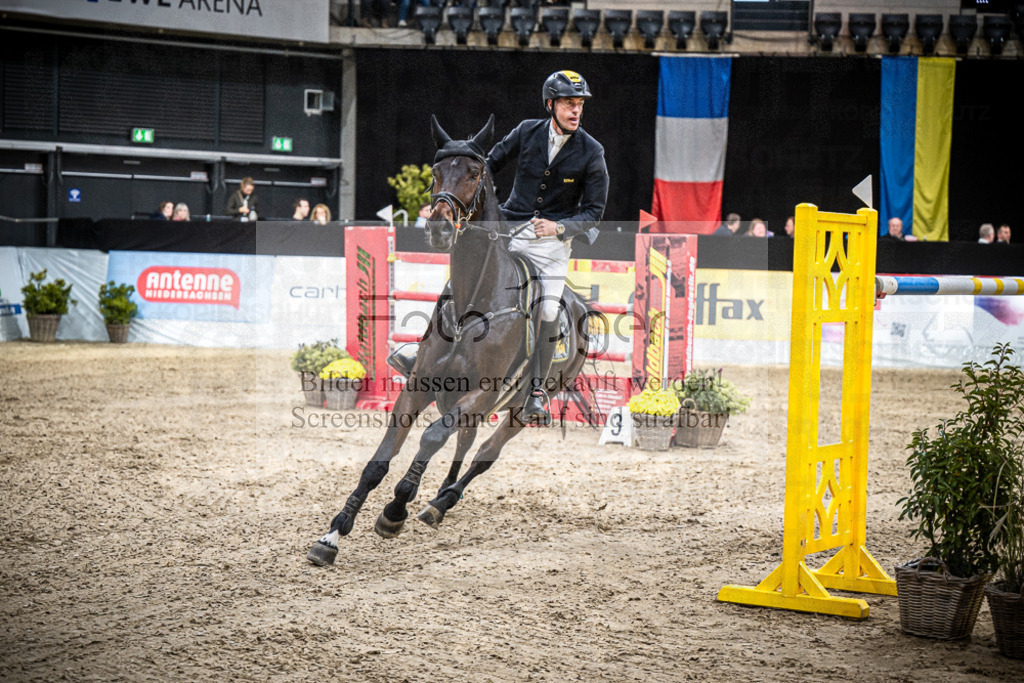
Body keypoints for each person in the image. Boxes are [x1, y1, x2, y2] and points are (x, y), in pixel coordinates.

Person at [487, 69, 608, 423]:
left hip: (552, 246)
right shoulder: (526, 131)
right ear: (551, 104)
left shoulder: (592, 151)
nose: (576, 111)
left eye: (580, 104)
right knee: (469, 273)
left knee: (549, 311)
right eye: (570, 103)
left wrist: (559, 227)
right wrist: (487, 205)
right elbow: (489, 164)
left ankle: (536, 390)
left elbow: (594, 212)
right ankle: (423, 353)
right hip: (510, 229)